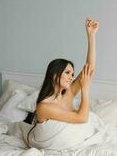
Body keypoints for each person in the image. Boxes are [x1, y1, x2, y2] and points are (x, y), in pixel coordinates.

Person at [26, 18, 99, 148]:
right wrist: (85, 89)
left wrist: (91, 36)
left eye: (72, 74)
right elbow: (82, 118)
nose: (71, 77)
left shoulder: (68, 93)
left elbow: (89, 69)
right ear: (54, 75)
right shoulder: (44, 106)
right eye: (67, 73)